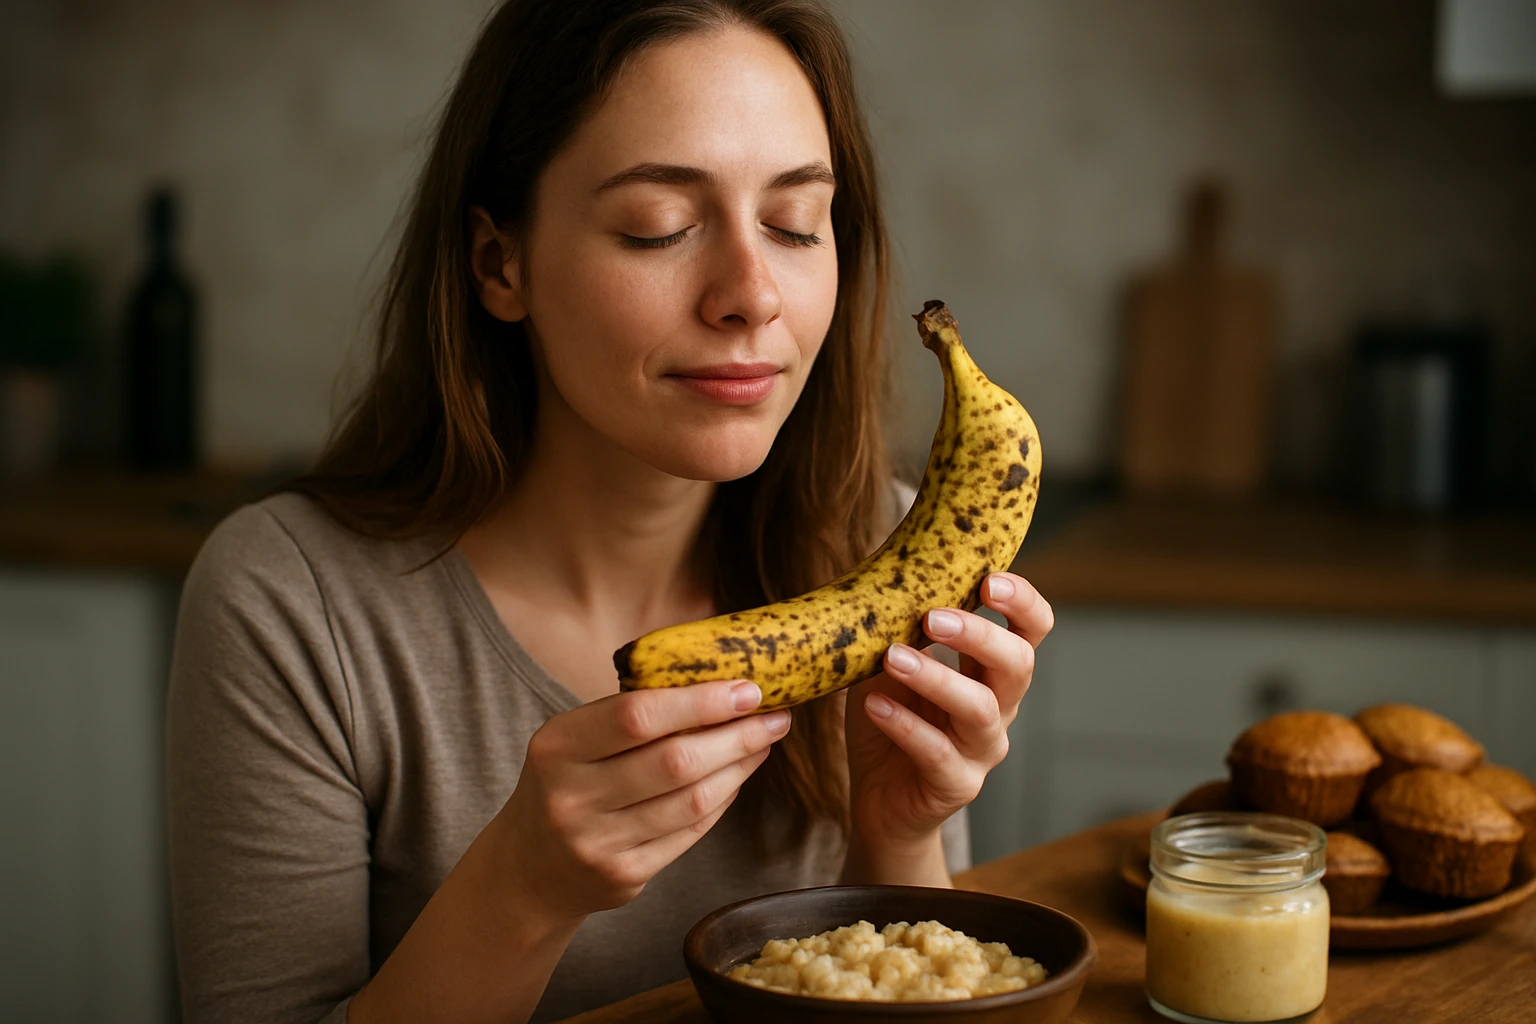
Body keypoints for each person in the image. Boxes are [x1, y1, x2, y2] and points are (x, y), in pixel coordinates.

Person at [164, 1, 1054, 1022]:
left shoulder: (883, 550)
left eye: (796, 223)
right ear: (499, 264)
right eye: (658, 226)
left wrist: (898, 834)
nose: (752, 294)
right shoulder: (291, 602)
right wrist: (519, 893)